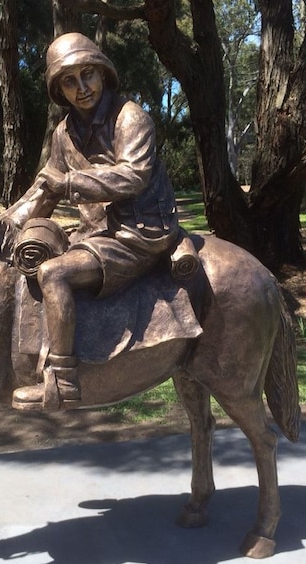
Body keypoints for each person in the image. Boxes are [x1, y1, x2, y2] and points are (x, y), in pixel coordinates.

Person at [12, 32, 180, 410]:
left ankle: (62, 381)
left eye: (87, 74)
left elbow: (133, 175)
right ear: (59, 90)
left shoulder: (130, 117)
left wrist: (70, 181)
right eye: (69, 81)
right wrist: (3, 226)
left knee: (53, 273)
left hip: (139, 231)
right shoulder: (64, 133)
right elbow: (43, 192)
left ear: (103, 72)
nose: (81, 88)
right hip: (98, 232)